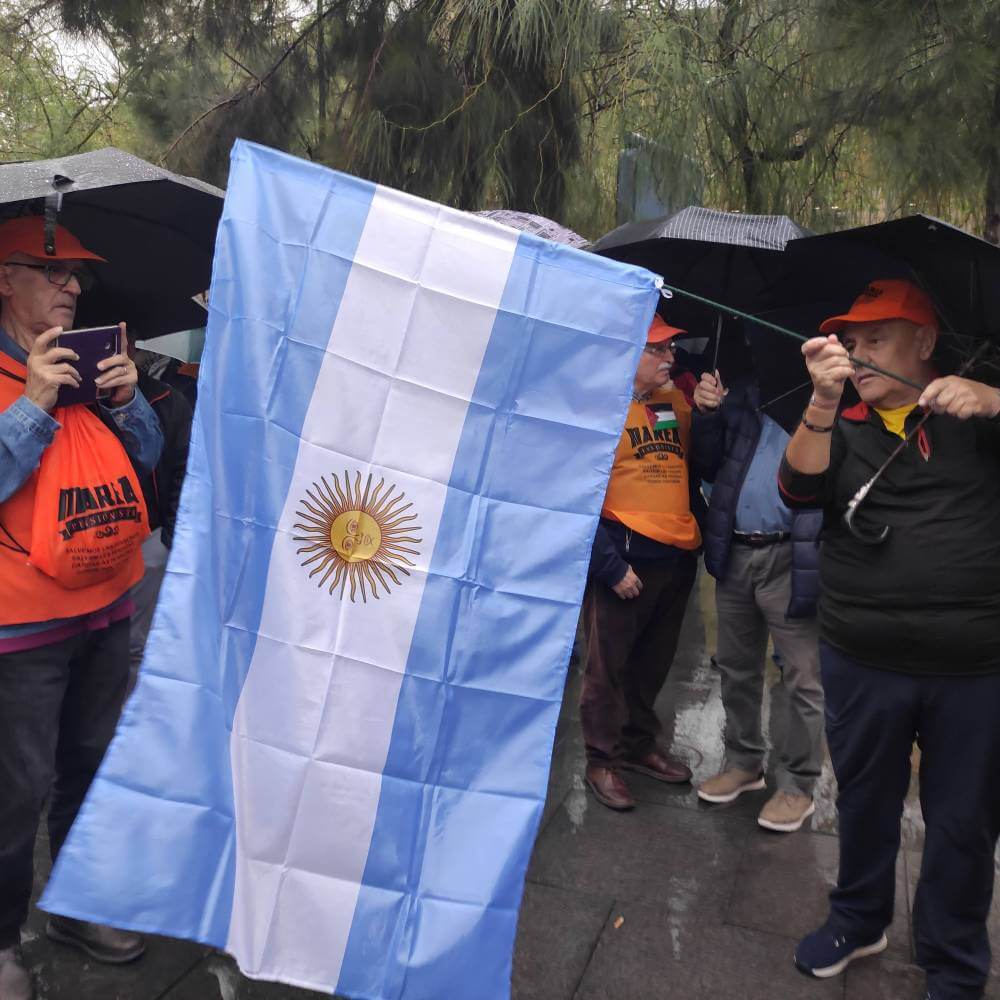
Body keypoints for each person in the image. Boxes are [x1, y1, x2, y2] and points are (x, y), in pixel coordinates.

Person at [778, 279, 1000, 998]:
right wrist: (819, 400)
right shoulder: (841, 421)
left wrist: (997, 400)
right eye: (852, 339)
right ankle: (859, 917)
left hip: (976, 667)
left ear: (925, 343)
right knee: (866, 799)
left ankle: (954, 957)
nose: (859, 352)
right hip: (863, 657)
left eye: (878, 337)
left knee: (965, 820)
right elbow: (797, 490)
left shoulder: (979, 412)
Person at [0, 217, 163, 1000]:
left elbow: (151, 457)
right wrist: (32, 401)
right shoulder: (20, 375)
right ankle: (1, 941)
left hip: (109, 605)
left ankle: (74, 903)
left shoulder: (96, 364)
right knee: (15, 790)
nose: (71, 287)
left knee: (92, 767)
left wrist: (130, 406)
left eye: (78, 279)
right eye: (51, 270)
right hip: (21, 628)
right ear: (5, 278)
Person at [581, 314, 724, 810]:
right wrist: (608, 565)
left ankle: (639, 746)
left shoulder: (675, 401)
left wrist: (707, 416)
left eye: (672, 349)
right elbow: (573, 497)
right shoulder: (596, 410)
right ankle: (601, 761)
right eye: (659, 350)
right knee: (607, 671)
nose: (672, 359)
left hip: (675, 558)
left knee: (652, 666)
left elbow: (703, 464)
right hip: (624, 564)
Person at [692, 369, 824, 833]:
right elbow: (707, 465)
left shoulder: (827, 403)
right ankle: (744, 761)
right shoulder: (743, 395)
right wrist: (707, 414)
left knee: (803, 677)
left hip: (794, 555)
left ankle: (796, 784)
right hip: (737, 551)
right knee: (735, 665)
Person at [127, 351, 194, 695]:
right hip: (94, 544)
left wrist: (167, 539)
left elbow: (187, 468)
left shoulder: (167, 398)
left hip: (149, 539)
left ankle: (127, 726)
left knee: (137, 644)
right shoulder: (70, 392)